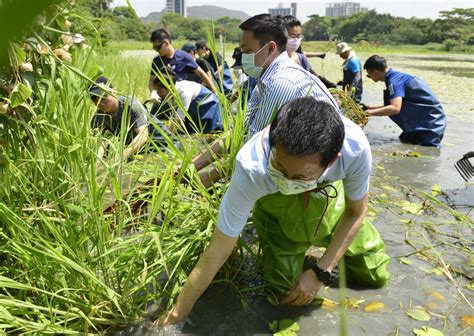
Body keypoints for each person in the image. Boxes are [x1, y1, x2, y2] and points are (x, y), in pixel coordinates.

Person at [155, 97, 390, 326]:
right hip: (278, 212)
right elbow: (217, 250)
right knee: (286, 295)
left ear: (331, 162)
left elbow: (356, 212)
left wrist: (321, 271)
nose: (288, 179)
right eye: (279, 167)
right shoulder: (251, 167)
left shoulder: (355, 149)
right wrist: (176, 315)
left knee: (375, 275)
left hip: (330, 199)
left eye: (299, 176)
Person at [363, 55, 446, 147]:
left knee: (427, 153)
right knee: (405, 142)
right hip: (422, 121)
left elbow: (395, 108)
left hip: (429, 125)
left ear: (375, 72)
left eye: (368, 75)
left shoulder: (394, 82)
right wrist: (369, 107)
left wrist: (367, 113)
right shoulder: (396, 77)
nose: (369, 77)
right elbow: (395, 103)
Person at [89, 77, 173, 160]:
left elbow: (143, 136)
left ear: (113, 92)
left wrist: (119, 158)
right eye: (95, 100)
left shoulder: (131, 105)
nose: (100, 103)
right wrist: (96, 163)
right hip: (140, 148)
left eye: (103, 98)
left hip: (163, 144)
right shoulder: (98, 118)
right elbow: (100, 145)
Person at [148, 29, 216, 105]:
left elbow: (201, 73)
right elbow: (151, 80)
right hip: (163, 100)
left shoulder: (183, 56)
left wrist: (213, 90)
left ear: (166, 43)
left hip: (182, 98)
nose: (156, 50)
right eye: (154, 48)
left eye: (158, 47)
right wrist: (153, 93)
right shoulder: (157, 60)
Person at [152, 68, 222, 134]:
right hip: (195, 109)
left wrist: (167, 134)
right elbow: (174, 116)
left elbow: (179, 119)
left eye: (160, 91)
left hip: (209, 105)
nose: (158, 94)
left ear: (168, 87)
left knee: (211, 131)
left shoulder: (184, 93)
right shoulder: (170, 94)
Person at [280, 15, 336, 89]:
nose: (296, 40)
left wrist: (329, 84)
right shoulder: (274, 60)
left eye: (298, 36)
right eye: (292, 36)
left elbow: (312, 76)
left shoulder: (301, 58)